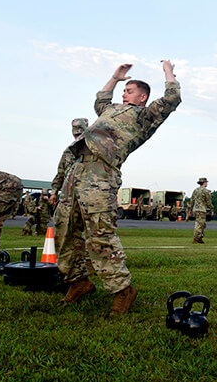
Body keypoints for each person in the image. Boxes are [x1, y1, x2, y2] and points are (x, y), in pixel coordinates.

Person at [53, 60, 180, 316]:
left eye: (129, 90)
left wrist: (168, 71)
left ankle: (122, 290)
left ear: (142, 97)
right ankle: (78, 282)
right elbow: (100, 100)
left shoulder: (145, 117)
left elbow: (172, 97)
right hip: (77, 169)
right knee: (64, 227)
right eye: (125, 90)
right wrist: (116, 77)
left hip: (101, 172)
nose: (124, 93)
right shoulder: (109, 110)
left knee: (100, 232)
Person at [50, 118, 89, 206]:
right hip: (68, 198)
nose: (78, 137)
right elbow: (60, 174)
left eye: (80, 134)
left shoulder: (96, 149)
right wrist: (54, 192)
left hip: (88, 198)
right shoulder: (68, 151)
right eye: (76, 135)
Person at [191, 177, 213, 243]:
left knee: (201, 224)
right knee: (199, 224)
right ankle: (196, 238)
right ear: (204, 183)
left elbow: (192, 200)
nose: (207, 184)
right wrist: (211, 209)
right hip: (202, 209)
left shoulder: (195, 190)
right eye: (206, 182)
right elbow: (208, 201)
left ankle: (200, 238)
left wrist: (190, 208)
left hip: (195, 209)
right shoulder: (206, 191)